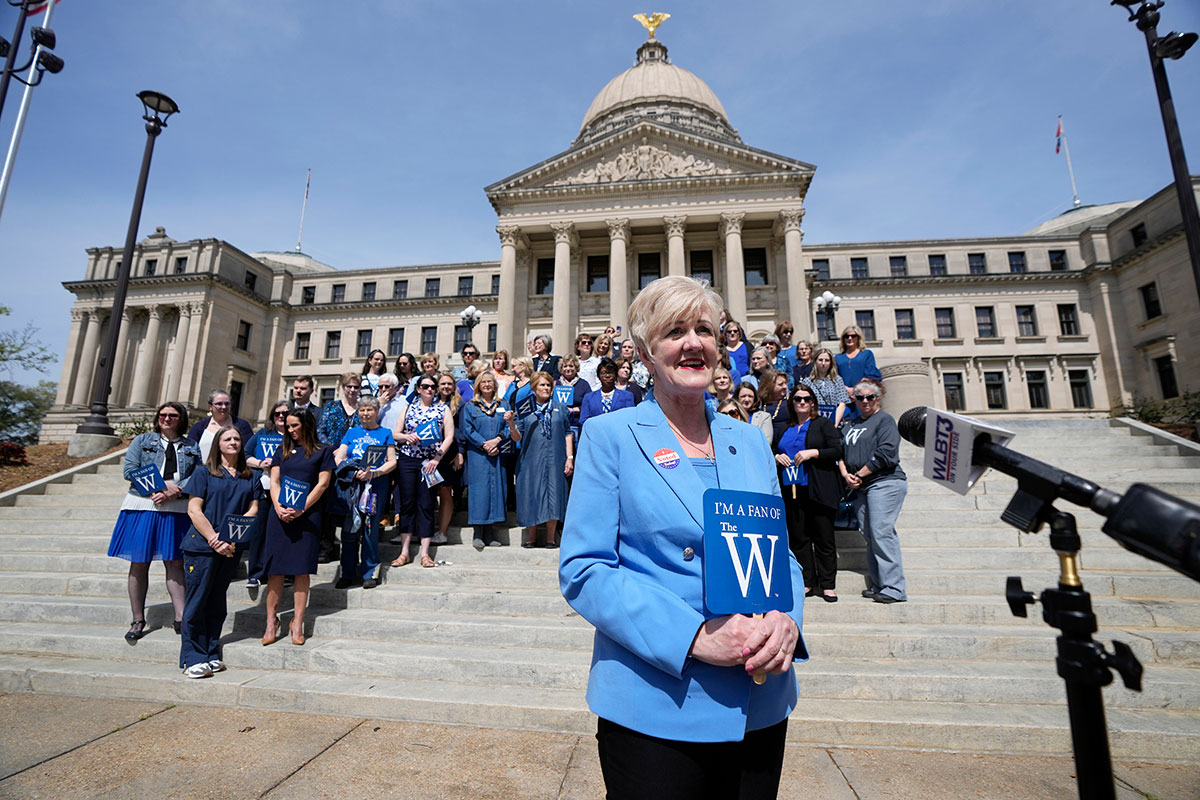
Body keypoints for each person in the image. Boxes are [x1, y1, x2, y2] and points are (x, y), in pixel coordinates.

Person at [559, 275, 805, 799]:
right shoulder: (610, 436)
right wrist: (694, 637)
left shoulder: (750, 441)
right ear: (647, 353)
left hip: (760, 702)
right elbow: (584, 570)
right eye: (675, 331)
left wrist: (787, 622)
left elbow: (782, 556)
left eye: (704, 330)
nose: (693, 343)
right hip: (658, 703)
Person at [107, 402, 201, 642]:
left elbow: (198, 474)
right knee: (139, 562)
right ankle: (138, 619)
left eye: (173, 415)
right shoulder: (142, 441)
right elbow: (130, 470)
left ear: (181, 418)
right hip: (143, 505)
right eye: (163, 415)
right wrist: (159, 488)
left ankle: (181, 617)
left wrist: (176, 490)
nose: (167, 419)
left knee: (175, 562)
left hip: (176, 507)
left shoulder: (191, 445)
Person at [179, 425, 257, 678]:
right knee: (197, 602)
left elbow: (253, 509)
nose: (233, 442)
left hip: (230, 548)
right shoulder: (204, 473)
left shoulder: (249, 475)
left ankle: (211, 653)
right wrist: (215, 539)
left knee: (216, 603)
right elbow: (194, 510)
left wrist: (230, 540)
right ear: (218, 445)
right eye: (227, 439)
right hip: (202, 547)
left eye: (237, 439)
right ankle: (193, 658)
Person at [262, 408, 334, 646]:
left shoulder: (323, 450)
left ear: (307, 425)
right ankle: (271, 622)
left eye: (295, 425)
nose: (290, 430)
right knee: (275, 570)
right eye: (288, 426)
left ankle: (297, 622)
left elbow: (322, 485)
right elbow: (274, 481)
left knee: (302, 570)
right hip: (280, 515)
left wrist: (301, 509)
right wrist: (278, 506)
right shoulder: (281, 450)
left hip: (307, 517)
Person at [839, 380, 908, 604]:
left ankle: (894, 588)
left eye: (870, 397)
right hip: (861, 486)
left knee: (881, 532)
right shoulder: (851, 424)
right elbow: (839, 451)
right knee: (870, 534)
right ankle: (879, 584)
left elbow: (887, 453)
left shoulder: (885, 420)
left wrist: (859, 474)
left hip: (885, 482)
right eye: (861, 398)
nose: (865, 401)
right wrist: (846, 475)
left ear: (878, 399)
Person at [774, 384, 843, 603]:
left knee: (823, 538)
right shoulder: (784, 427)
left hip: (818, 489)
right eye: (797, 399)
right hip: (792, 490)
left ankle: (828, 585)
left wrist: (813, 452)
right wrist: (777, 456)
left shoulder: (823, 424)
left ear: (813, 402)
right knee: (799, 538)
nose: (802, 402)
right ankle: (807, 581)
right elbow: (773, 449)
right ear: (792, 403)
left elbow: (837, 450)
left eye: (806, 398)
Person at [390, 374, 455, 569]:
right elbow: (395, 433)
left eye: (433, 386)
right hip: (408, 459)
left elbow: (449, 436)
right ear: (418, 389)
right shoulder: (408, 408)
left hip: (430, 461)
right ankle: (404, 552)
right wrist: (406, 437)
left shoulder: (443, 409)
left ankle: (425, 553)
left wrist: (437, 458)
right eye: (425, 386)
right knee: (407, 504)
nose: (429, 389)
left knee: (426, 504)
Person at [334, 396, 397, 589]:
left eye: (369, 409)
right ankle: (347, 572)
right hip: (353, 486)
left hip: (375, 486)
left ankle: (369, 572)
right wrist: (352, 472)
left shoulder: (385, 433)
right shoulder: (351, 432)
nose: (365, 413)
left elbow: (392, 461)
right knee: (350, 528)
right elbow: (339, 457)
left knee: (370, 528)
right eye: (362, 410)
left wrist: (375, 473)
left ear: (377, 411)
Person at [510, 371, 573, 548]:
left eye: (548, 385)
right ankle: (532, 537)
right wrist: (511, 424)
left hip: (555, 457)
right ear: (533, 388)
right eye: (542, 385)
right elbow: (517, 437)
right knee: (533, 494)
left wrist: (569, 458)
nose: (546, 388)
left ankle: (550, 538)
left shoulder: (560, 408)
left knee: (554, 495)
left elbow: (568, 433)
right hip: (531, 459)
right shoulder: (525, 409)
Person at [460, 371, 511, 549]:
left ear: (495, 385)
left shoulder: (503, 404)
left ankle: (490, 532)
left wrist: (497, 440)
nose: (487, 385)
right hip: (478, 455)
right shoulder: (470, 406)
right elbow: (467, 429)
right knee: (479, 491)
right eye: (483, 382)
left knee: (496, 490)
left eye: (490, 382)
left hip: (498, 453)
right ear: (478, 386)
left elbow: (509, 426)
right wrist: (484, 445)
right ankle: (478, 532)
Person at [316, 372, 362, 563]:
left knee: (351, 505)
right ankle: (326, 547)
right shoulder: (332, 407)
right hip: (331, 460)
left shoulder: (362, 409)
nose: (352, 390)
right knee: (328, 504)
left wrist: (347, 452)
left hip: (353, 462)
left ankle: (350, 551)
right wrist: (334, 450)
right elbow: (321, 431)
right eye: (349, 386)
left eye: (356, 387)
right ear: (343, 387)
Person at [244, 399, 290, 588]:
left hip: (287, 489)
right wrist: (260, 463)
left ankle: (284, 572)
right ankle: (256, 573)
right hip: (264, 487)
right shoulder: (263, 434)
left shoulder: (295, 435)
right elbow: (245, 454)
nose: (281, 416)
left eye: (285, 413)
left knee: (285, 532)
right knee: (259, 532)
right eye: (277, 413)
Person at [433, 372, 465, 545]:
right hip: (429, 454)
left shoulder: (459, 405)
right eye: (443, 384)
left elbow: (462, 430)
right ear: (438, 386)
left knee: (445, 490)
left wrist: (460, 452)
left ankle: (443, 531)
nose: (446, 387)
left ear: (454, 386)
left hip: (450, 454)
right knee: (428, 492)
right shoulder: (430, 402)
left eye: (449, 384)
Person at [187, 389, 253, 460]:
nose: (224, 407)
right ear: (210, 406)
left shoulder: (242, 426)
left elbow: (249, 452)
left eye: (227, 404)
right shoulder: (198, 427)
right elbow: (188, 451)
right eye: (219, 404)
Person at [835, 325, 881, 422]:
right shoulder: (838, 358)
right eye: (846, 336)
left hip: (862, 397)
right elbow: (835, 377)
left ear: (858, 338)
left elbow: (870, 375)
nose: (850, 338)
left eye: (853, 336)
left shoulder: (866, 354)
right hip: (844, 398)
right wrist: (846, 390)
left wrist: (855, 390)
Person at [801, 348, 850, 427]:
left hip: (833, 422)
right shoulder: (807, 382)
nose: (823, 363)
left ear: (831, 363)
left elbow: (842, 403)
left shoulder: (837, 380)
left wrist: (834, 425)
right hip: (813, 422)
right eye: (820, 360)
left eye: (827, 360)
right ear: (815, 361)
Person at [580, 357, 634, 427]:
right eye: (604, 373)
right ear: (598, 376)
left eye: (611, 372)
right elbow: (583, 421)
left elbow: (630, 419)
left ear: (616, 375)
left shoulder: (626, 396)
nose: (607, 375)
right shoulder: (589, 397)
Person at [556, 354, 592, 436]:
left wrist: (573, 410)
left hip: (577, 424)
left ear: (576, 368)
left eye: (571, 366)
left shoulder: (584, 384)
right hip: (559, 424)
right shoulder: (556, 384)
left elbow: (589, 405)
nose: (568, 369)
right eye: (565, 366)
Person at [757, 369, 791, 447]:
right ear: (769, 385)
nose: (785, 387)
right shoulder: (759, 405)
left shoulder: (790, 404)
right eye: (780, 384)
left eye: (785, 383)